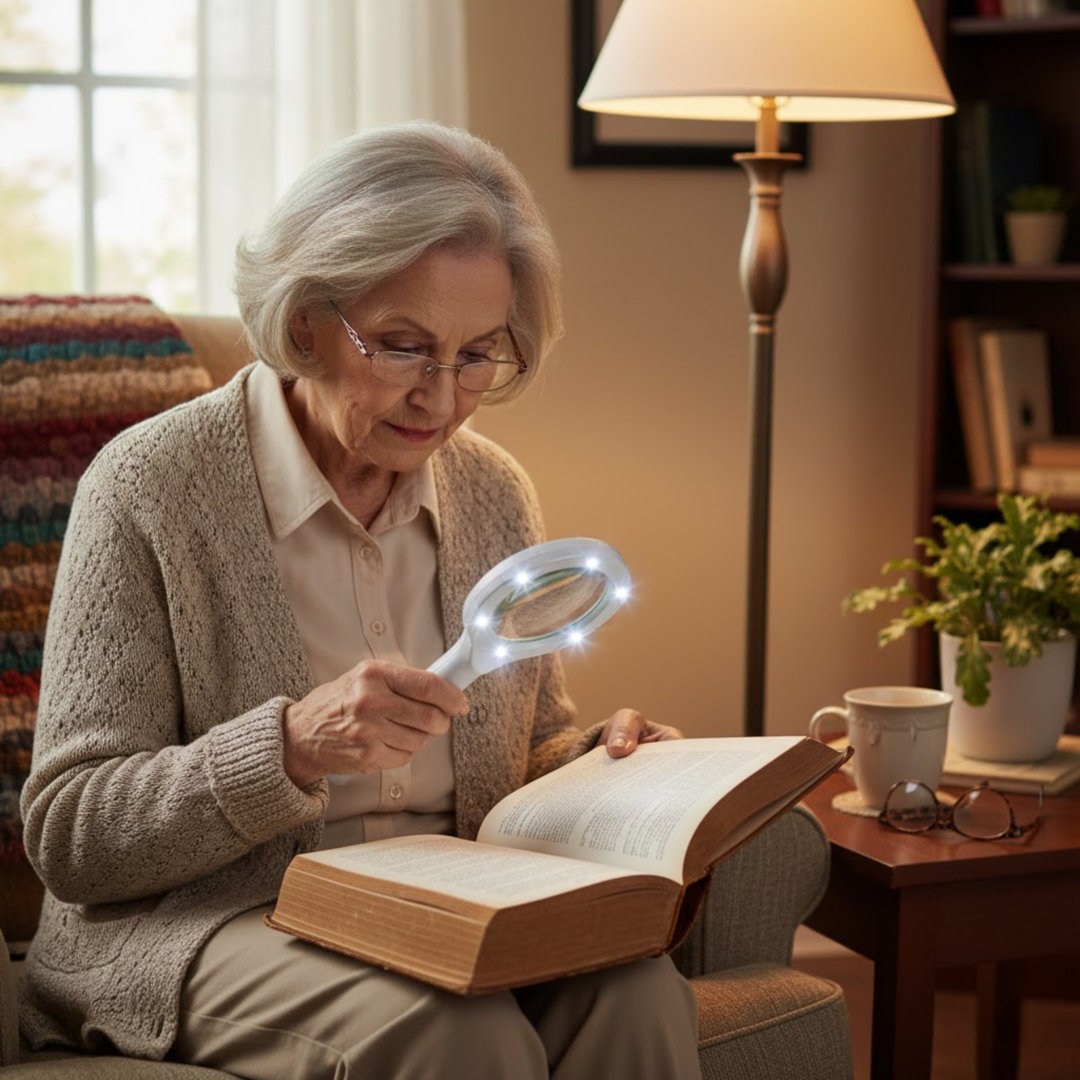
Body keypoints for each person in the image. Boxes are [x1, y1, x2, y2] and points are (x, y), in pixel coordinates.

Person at [19, 121, 702, 1080]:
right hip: (212, 921)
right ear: (305, 322)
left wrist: (604, 767)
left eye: (478, 355)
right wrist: (289, 745)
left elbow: (517, 758)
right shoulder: (150, 487)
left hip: (450, 904)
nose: (443, 396)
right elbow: (70, 833)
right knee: (458, 1036)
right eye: (405, 346)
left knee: (635, 993)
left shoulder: (493, 490)